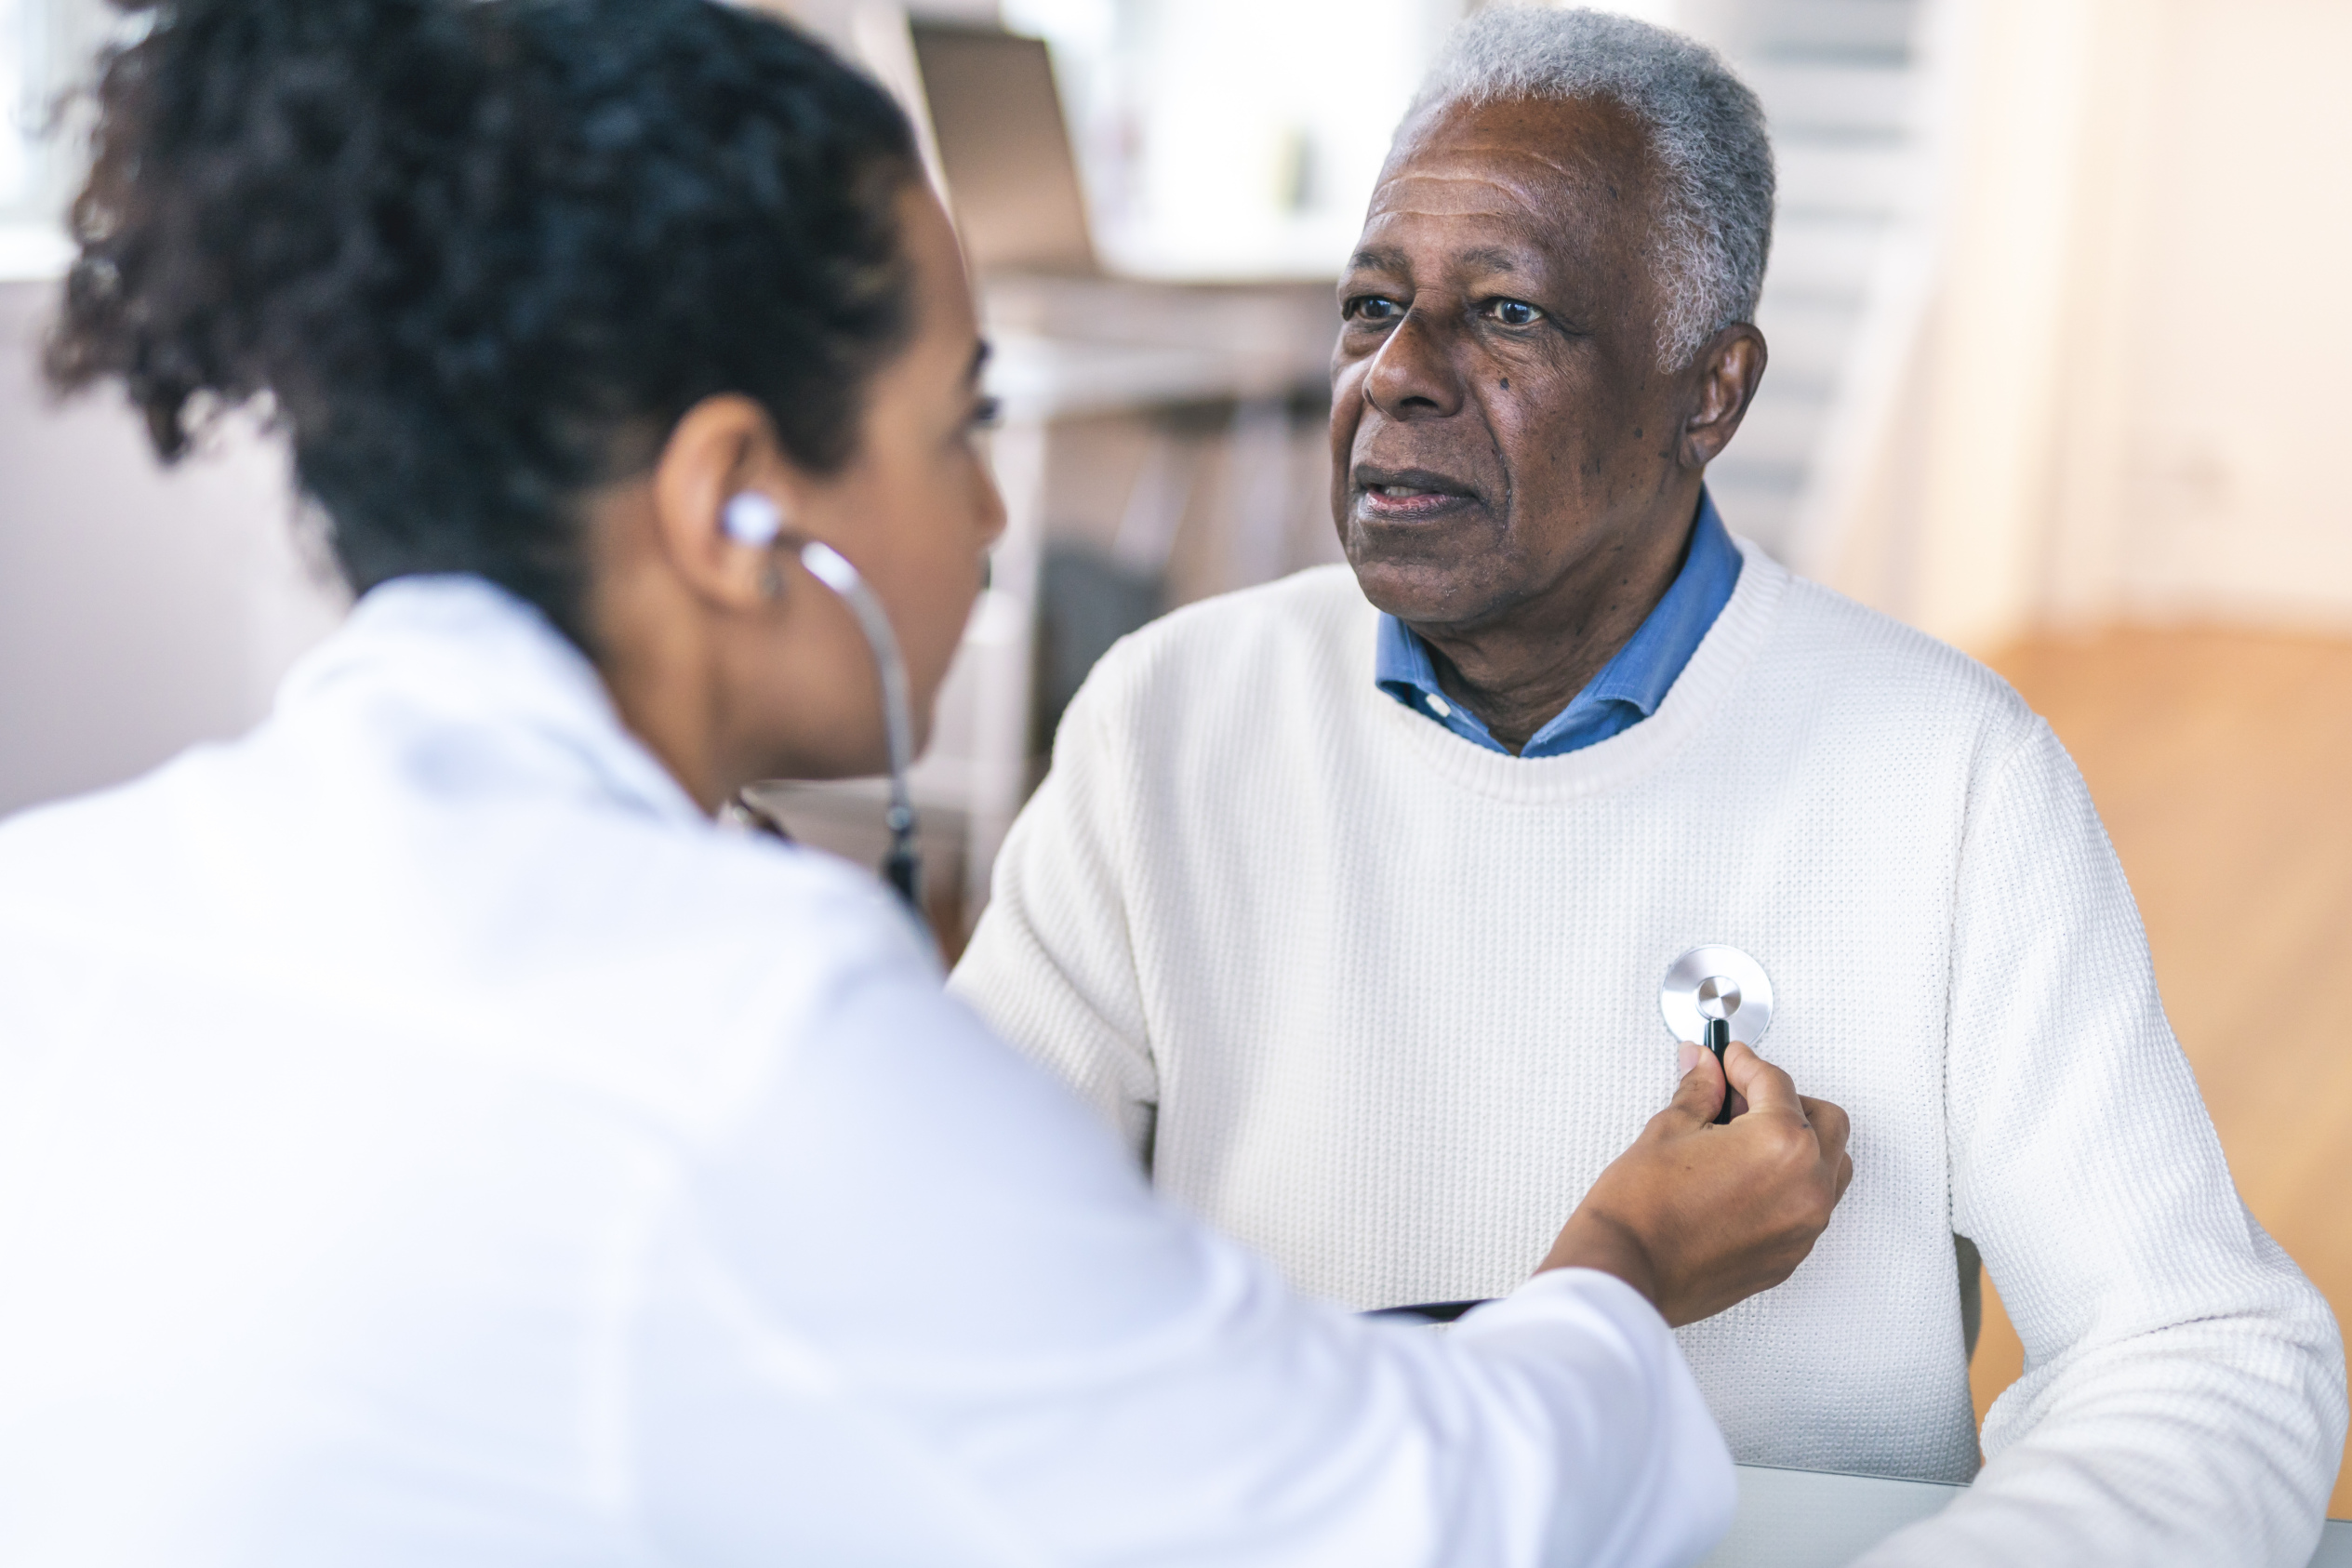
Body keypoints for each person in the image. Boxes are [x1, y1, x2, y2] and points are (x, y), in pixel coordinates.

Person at [0, 4, 1860, 1565]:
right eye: (958, 420)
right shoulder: (748, 1040)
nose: (986, 513)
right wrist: (1620, 1259)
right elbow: (1382, 1519)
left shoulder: (57, 901)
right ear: (739, 503)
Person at [950, 8, 2347, 1565]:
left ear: (1710, 395)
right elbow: (944, 1269)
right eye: (1369, 305)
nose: (1397, 377)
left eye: (1506, 316)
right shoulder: (1166, 720)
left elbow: (2204, 1349)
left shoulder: (1952, 772)